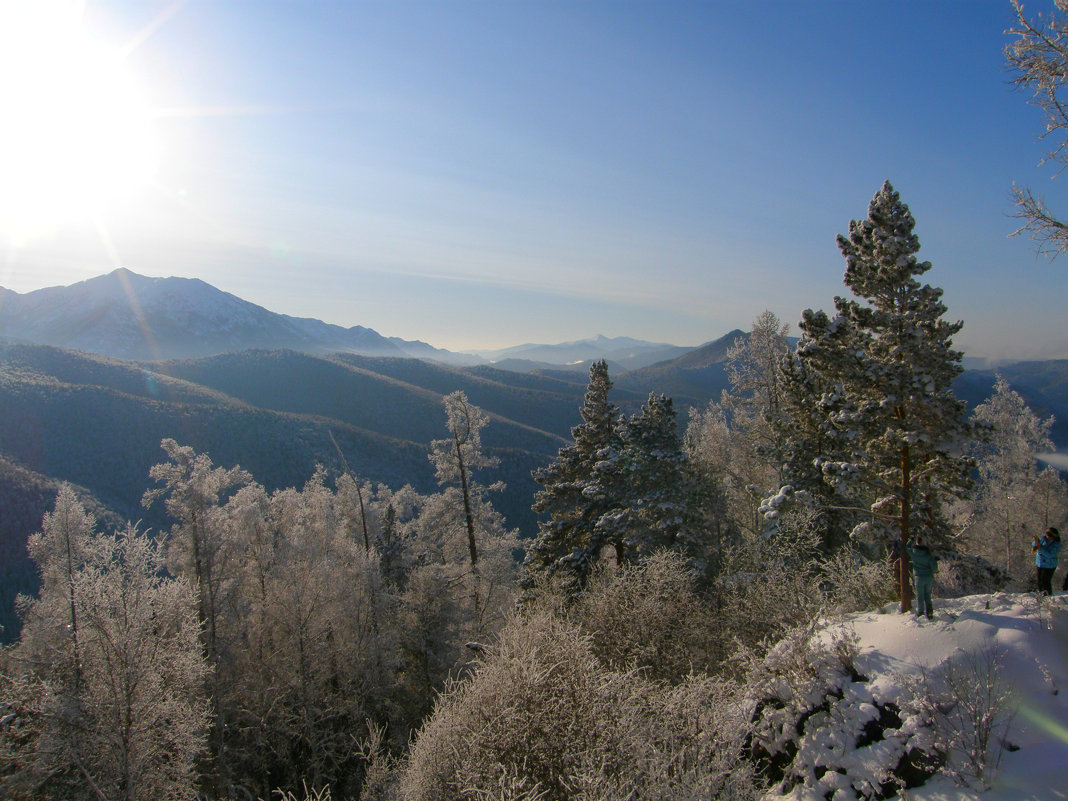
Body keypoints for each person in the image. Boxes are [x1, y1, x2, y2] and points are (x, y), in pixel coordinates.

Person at [905, 537, 938, 619]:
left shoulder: (913, 553)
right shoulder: (928, 555)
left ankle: (920, 612)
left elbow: (907, 547)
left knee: (920, 596)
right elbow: (934, 567)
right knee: (927, 594)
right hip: (928, 577)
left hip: (919, 577)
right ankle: (929, 611)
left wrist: (911, 540)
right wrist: (935, 571)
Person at [1033, 527, 1061, 596]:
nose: (1048, 536)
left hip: (1049, 565)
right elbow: (1035, 544)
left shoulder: (1056, 544)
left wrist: (1040, 548)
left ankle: (1047, 597)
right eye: (1047, 534)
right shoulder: (1043, 539)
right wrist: (1035, 544)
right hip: (1040, 563)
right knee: (1039, 582)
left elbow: (1050, 554)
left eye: (1050, 535)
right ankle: (1041, 596)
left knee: (1045, 582)